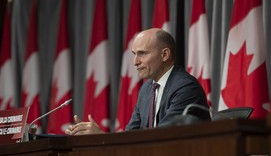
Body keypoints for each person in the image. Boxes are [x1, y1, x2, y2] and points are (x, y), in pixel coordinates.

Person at [65, 28, 210, 135]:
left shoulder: (185, 88)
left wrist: (101, 136)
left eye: (142, 53)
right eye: (134, 54)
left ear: (165, 54)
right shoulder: (147, 89)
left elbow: (163, 137)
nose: (135, 62)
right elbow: (131, 135)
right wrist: (97, 137)